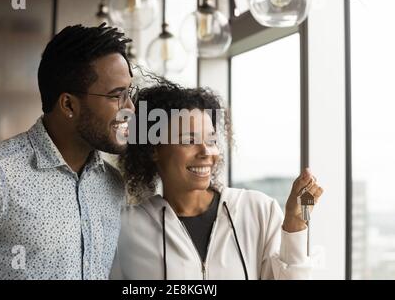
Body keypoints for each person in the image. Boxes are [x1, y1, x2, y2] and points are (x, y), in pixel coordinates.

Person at [0, 24, 137, 279]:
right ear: (68, 104)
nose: (130, 108)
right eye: (117, 96)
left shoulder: (112, 184)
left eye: (129, 93)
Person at [110, 82, 324, 280]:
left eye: (211, 140)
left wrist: (295, 225)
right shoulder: (127, 227)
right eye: (189, 140)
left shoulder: (259, 211)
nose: (206, 151)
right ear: (154, 149)